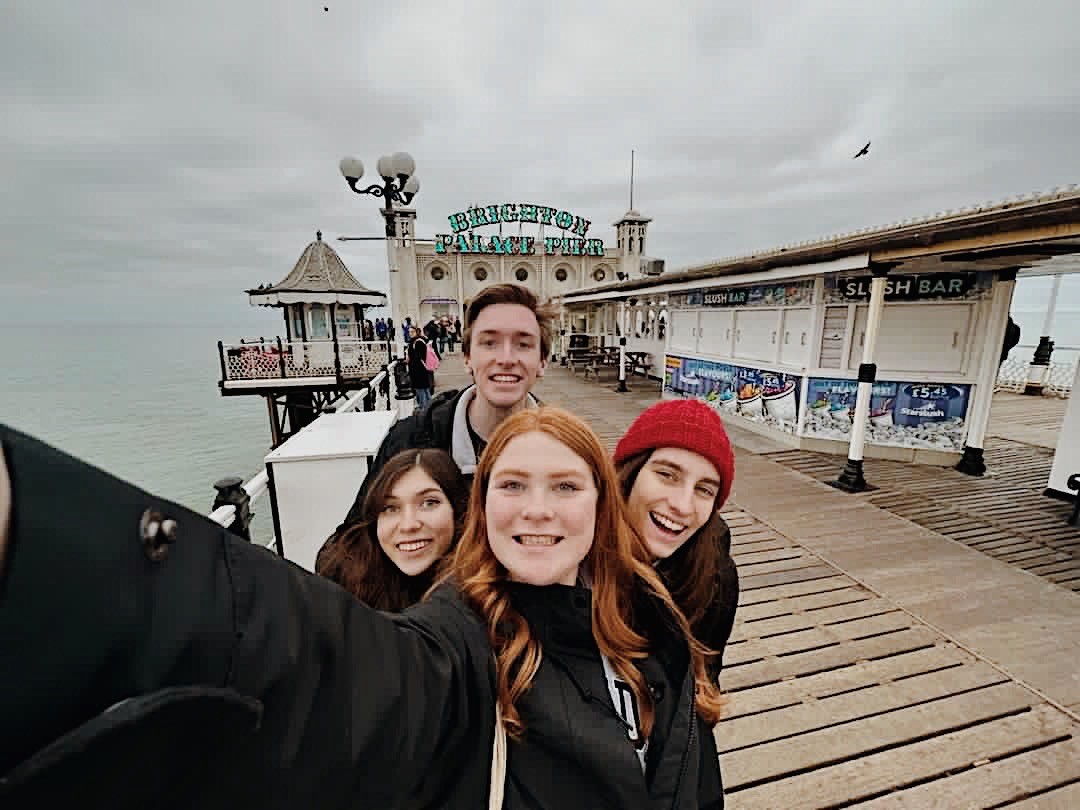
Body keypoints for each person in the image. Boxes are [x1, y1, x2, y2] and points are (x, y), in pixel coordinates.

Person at [0, 410, 725, 808]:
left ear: (603, 507)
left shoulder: (650, 626)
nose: (537, 510)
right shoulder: (457, 637)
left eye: (566, 487)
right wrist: (59, 542)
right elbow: (320, 667)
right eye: (513, 485)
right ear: (484, 506)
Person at [326, 283, 554, 540]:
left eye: (523, 344)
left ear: (543, 361)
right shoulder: (409, 441)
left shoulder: (564, 449)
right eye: (489, 343)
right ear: (467, 358)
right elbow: (348, 545)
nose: (506, 358)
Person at [614, 399, 739, 680]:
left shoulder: (716, 577)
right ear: (630, 474)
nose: (683, 505)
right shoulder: (574, 558)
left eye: (704, 490)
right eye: (667, 475)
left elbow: (704, 686)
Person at [315, 448, 468, 611]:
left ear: (458, 511)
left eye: (429, 503)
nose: (408, 525)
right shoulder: (345, 578)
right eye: (391, 508)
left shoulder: (483, 587)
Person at [407, 325, 434, 410]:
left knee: (420, 390)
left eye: (412, 332)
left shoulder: (417, 342)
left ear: (416, 332)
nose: (410, 334)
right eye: (409, 332)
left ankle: (424, 410)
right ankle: (430, 408)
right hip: (422, 369)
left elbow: (418, 357)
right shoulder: (420, 340)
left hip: (418, 370)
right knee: (425, 389)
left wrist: (409, 359)